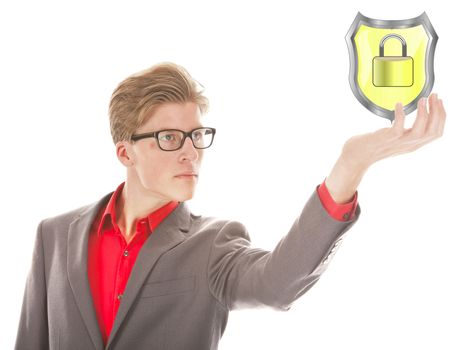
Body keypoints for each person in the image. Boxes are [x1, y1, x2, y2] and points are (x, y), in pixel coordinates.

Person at [15, 62, 446, 350]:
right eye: (170, 138)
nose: (191, 153)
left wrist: (350, 166)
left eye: (197, 136)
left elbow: (278, 284)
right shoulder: (53, 236)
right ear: (125, 153)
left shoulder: (212, 245)